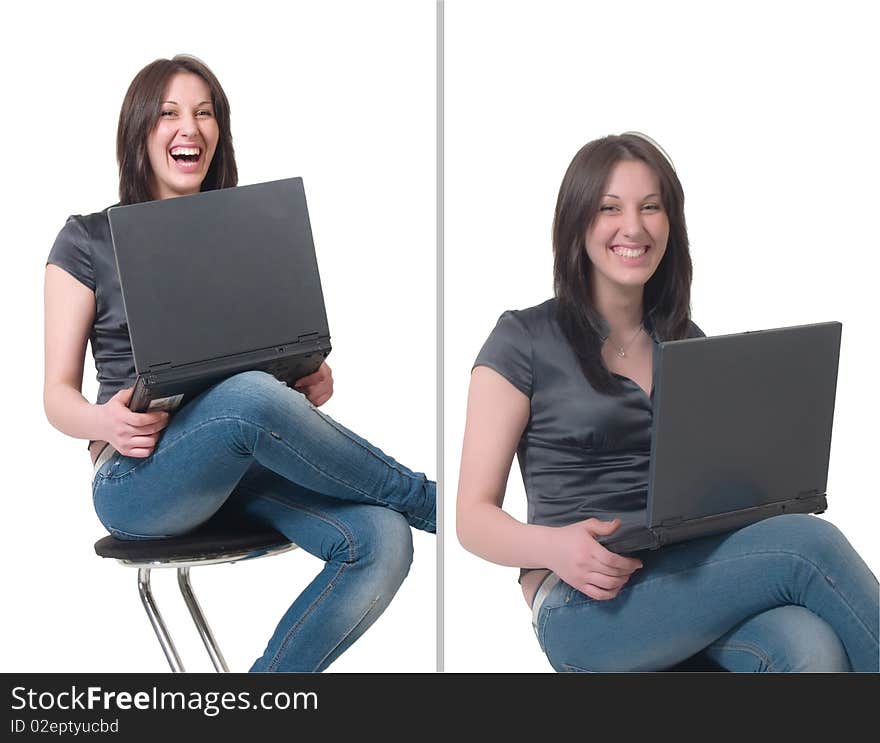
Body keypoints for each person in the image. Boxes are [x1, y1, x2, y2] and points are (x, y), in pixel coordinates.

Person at [43, 55, 435, 673]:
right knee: (250, 396)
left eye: (205, 113)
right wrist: (105, 423)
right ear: (140, 130)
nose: (189, 128)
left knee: (382, 540)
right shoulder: (87, 240)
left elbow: (263, 374)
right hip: (141, 478)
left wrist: (304, 382)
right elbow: (55, 398)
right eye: (169, 113)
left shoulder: (244, 237)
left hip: (245, 464)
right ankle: (427, 499)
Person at [456, 132, 879, 672]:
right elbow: (472, 517)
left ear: (670, 224)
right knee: (807, 547)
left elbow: (714, 487)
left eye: (650, 207)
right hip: (584, 602)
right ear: (577, 221)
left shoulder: (686, 341)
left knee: (806, 645)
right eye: (610, 208)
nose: (633, 227)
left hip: (692, 578)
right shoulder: (522, 339)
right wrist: (553, 547)